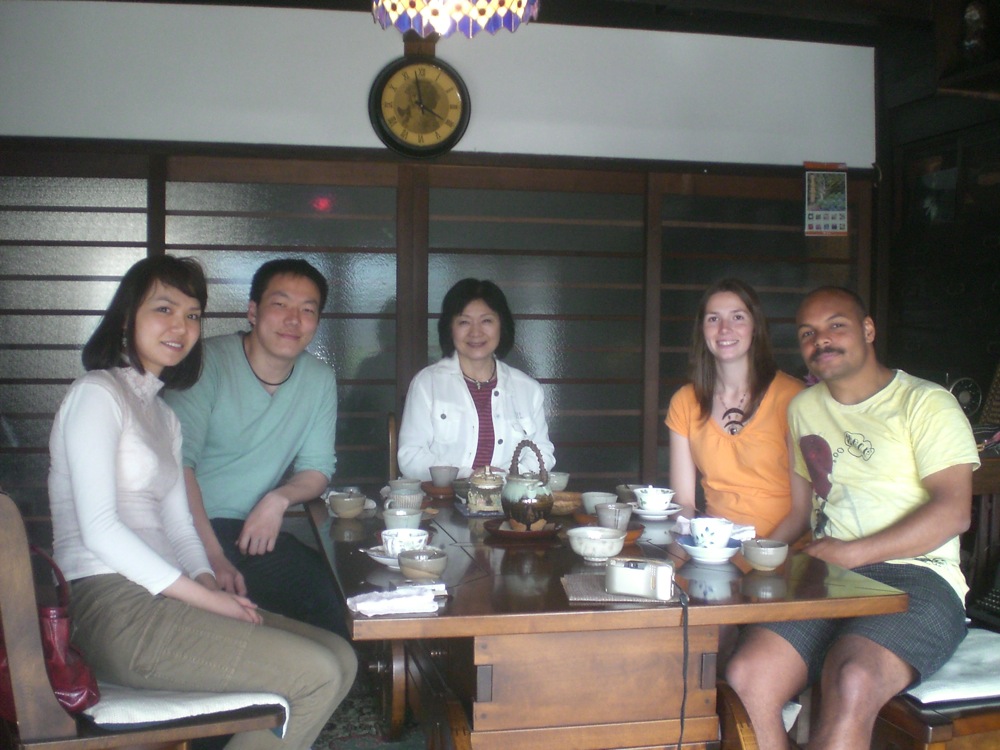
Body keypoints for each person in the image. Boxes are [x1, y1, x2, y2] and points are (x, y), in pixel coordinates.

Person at [49, 256, 357, 750]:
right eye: (164, 309)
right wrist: (207, 598)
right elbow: (100, 530)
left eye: (192, 315)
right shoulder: (96, 394)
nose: (180, 326)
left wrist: (210, 580)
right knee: (317, 673)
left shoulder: (162, 416)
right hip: (111, 607)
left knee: (340, 656)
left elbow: (178, 524)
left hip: (165, 598)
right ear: (127, 316)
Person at [725, 286, 980, 750]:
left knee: (852, 677)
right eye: (807, 333)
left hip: (920, 578)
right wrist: (745, 562)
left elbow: (953, 511)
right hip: (829, 579)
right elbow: (800, 513)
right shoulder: (804, 408)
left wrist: (850, 554)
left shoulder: (926, 403)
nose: (820, 339)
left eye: (835, 326)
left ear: (868, 329)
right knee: (747, 676)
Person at [164, 258, 346, 637]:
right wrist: (210, 557)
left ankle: (341, 672)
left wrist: (278, 499)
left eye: (307, 310)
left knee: (334, 590)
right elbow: (178, 466)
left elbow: (317, 468)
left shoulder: (318, 379)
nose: (293, 320)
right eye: (280, 305)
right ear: (253, 311)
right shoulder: (207, 363)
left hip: (247, 533)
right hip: (183, 528)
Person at [666, 278, 810, 540]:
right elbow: (683, 503)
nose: (724, 329)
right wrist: (696, 545)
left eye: (738, 317)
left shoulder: (792, 397)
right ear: (702, 330)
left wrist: (760, 555)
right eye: (713, 319)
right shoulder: (685, 402)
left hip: (784, 551)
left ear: (755, 327)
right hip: (716, 549)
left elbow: (802, 511)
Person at [397, 278, 555, 481]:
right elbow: (410, 457)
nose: (475, 332)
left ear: (502, 325)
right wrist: (468, 476)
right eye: (464, 322)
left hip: (508, 498)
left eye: (486, 321)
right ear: (450, 328)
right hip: (441, 497)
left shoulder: (528, 389)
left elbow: (542, 454)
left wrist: (505, 480)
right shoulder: (427, 384)